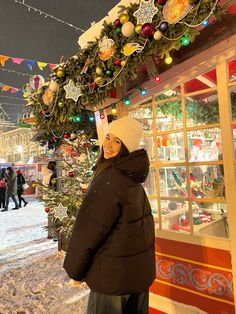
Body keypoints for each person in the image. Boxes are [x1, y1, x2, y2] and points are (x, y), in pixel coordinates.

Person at [63, 116, 156, 314]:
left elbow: (89, 230)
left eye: (117, 141)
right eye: (107, 137)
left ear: (126, 147)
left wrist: (75, 270)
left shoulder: (110, 179)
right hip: (137, 276)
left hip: (111, 277)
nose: (108, 145)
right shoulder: (133, 178)